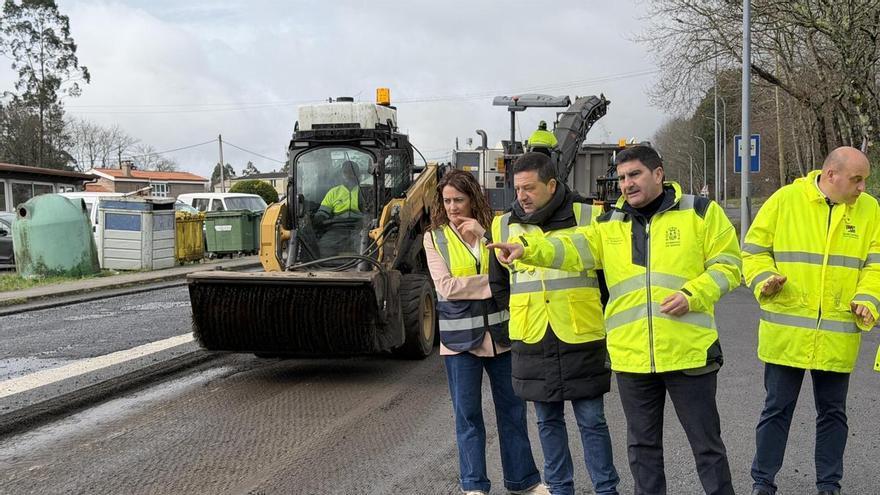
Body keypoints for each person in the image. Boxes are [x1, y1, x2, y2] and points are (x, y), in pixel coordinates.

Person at [489, 145, 741, 495]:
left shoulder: (699, 212)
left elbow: (729, 266)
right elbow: (571, 249)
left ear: (658, 173)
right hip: (633, 358)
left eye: (635, 174)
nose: (627, 184)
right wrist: (529, 250)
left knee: (706, 448)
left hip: (689, 353)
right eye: (622, 177)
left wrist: (692, 295)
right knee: (642, 451)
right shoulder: (609, 224)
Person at [742, 146, 880, 495]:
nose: (862, 188)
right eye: (857, 180)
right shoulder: (785, 200)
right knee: (777, 410)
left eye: (865, 180)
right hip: (787, 332)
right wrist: (765, 280)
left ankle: (829, 485)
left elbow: (875, 266)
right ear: (830, 175)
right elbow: (754, 252)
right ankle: (763, 482)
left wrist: (868, 299)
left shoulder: (870, 210)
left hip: (837, 333)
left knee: (833, 414)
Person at [489, 152, 619, 495]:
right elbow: (499, 284)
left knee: (592, 421)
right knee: (547, 421)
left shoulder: (589, 216)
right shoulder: (503, 225)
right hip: (532, 335)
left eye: (529, 188)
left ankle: (606, 489)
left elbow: (609, 280)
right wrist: (519, 315)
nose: (522, 196)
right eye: (517, 189)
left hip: (582, 334)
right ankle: (561, 489)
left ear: (551, 184)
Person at [424, 169, 548, 495]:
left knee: (513, 413)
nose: (452, 207)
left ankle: (525, 482)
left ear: (473, 199)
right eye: (447, 200)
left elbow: (516, 268)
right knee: (468, 417)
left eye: (458, 200)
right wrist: (495, 283)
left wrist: (483, 237)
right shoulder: (434, 237)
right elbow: (448, 287)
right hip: (459, 342)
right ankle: (474, 486)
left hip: (502, 337)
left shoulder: (494, 228)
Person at [314, 160, 364, 255]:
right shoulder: (333, 192)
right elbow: (322, 212)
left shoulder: (364, 191)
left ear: (357, 174)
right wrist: (319, 218)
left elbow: (370, 213)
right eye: (346, 172)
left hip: (359, 228)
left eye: (352, 172)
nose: (349, 175)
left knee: (366, 249)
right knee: (324, 247)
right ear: (341, 174)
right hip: (337, 228)